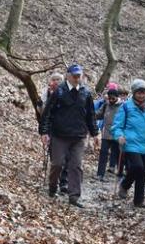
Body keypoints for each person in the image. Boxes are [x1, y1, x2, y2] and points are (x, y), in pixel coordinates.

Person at [39, 64, 100, 208]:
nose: (77, 78)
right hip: (60, 135)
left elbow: (90, 115)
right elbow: (47, 113)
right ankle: (52, 187)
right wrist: (44, 132)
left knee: (76, 165)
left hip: (78, 136)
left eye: (79, 75)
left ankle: (74, 196)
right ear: (68, 76)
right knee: (57, 164)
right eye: (74, 75)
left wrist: (95, 133)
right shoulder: (59, 92)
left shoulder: (86, 93)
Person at [112, 79, 145, 208]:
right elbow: (117, 125)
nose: (141, 95)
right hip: (130, 143)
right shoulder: (126, 106)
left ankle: (138, 201)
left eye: (143, 92)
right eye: (138, 92)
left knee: (142, 174)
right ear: (134, 93)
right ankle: (125, 184)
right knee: (137, 167)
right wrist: (119, 136)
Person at [38, 72, 68, 194]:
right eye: (54, 79)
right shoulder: (46, 93)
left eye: (59, 79)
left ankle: (64, 182)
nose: (56, 81)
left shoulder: (67, 93)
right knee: (55, 156)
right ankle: (54, 180)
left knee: (67, 156)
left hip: (65, 128)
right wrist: (39, 106)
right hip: (51, 128)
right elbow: (42, 113)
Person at [95, 88, 122, 181]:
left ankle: (120, 174)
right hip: (106, 134)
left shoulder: (123, 106)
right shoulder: (106, 105)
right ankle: (100, 174)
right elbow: (98, 114)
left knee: (118, 154)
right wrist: (90, 115)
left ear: (117, 97)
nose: (111, 100)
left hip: (117, 135)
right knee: (103, 153)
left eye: (113, 98)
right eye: (109, 98)